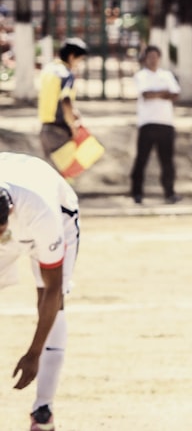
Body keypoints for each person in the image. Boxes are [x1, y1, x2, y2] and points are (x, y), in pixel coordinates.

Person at [0, 153, 82, 431]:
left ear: (8, 214)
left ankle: (43, 409)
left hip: (57, 214)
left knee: (50, 304)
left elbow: (52, 289)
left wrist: (34, 353)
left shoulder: (42, 212)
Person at [129, 46, 182, 205]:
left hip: (166, 123)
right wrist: (163, 93)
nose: (153, 60)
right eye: (150, 56)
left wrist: (157, 94)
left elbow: (175, 94)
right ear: (145, 58)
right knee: (141, 160)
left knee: (167, 161)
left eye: (156, 56)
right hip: (147, 123)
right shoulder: (141, 75)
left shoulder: (166, 75)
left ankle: (169, 193)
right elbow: (146, 94)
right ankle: (137, 193)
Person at [38, 38, 88, 164]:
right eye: (80, 60)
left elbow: (53, 98)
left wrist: (74, 112)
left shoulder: (48, 70)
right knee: (63, 177)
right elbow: (65, 100)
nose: (78, 64)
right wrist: (73, 125)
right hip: (59, 132)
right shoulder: (66, 74)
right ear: (72, 57)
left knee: (50, 174)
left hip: (45, 130)